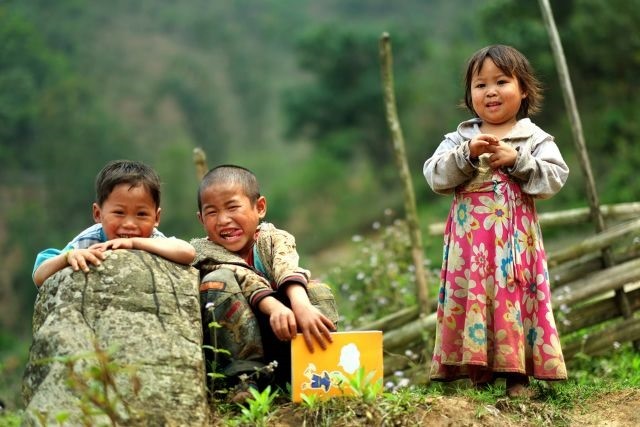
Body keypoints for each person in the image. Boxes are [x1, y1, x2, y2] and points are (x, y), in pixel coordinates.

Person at [423, 44, 569, 397]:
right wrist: (466, 154)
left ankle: (518, 378)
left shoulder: (534, 138)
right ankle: (480, 373)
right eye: (480, 84)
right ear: (469, 95)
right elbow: (434, 176)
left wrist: (517, 160)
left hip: (516, 250)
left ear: (523, 91)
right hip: (469, 248)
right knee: (473, 300)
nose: (490, 91)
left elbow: (555, 177)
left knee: (514, 301)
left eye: (501, 81)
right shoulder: (458, 138)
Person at [191, 164, 339, 402]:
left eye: (232, 207)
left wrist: (300, 303)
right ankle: (243, 383)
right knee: (218, 281)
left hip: (285, 339)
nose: (223, 220)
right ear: (201, 219)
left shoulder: (273, 239)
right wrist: (275, 307)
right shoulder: (202, 250)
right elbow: (242, 276)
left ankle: (321, 369)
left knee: (315, 290)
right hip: (240, 350)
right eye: (212, 212)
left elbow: (287, 266)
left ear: (259, 207)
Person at [32, 160, 196, 287]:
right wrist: (68, 257)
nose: (130, 224)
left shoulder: (152, 238)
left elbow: (188, 252)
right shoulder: (90, 240)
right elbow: (39, 276)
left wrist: (133, 242)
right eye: (119, 213)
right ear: (98, 214)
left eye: (142, 214)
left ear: (156, 218)